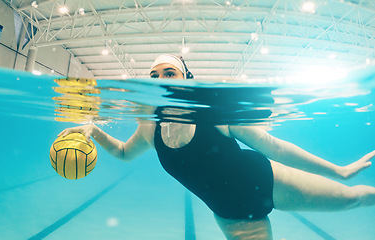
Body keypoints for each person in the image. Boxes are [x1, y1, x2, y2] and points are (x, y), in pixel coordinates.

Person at [58, 54, 375, 240]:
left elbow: (274, 147)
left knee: (352, 200)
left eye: (170, 72)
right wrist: (93, 131)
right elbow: (124, 153)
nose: (161, 79)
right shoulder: (149, 126)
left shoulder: (215, 114)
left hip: (269, 182)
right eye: (154, 75)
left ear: (187, 78)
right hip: (231, 214)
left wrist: (341, 171)